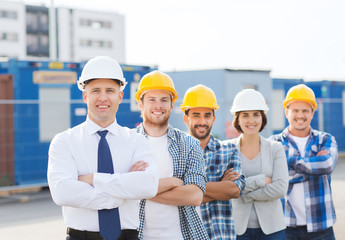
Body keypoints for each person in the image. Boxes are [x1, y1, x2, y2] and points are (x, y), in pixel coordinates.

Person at [47, 56, 159, 240]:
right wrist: (121, 192)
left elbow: (148, 185)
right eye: (96, 90)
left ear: (120, 96)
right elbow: (62, 191)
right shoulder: (64, 141)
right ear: (85, 96)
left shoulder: (137, 141)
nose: (103, 97)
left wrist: (92, 179)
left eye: (110, 90)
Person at [134, 71, 209, 240]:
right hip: (136, 235)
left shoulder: (190, 145)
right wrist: (171, 183)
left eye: (164, 100)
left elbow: (195, 196)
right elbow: (119, 189)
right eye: (151, 99)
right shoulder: (127, 143)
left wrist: (140, 190)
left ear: (172, 104)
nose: (158, 105)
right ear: (140, 104)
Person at [271, 84, 338, 240]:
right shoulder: (274, 143)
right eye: (295, 110)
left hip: (321, 227)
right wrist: (313, 166)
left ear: (312, 113)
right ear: (286, 112)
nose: (300, 116)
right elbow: (271, 179)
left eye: (305, 111)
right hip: (285, 226)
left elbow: (327, 165)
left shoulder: (325, 139)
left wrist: (287, 163)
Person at [181, 84, 246, 240]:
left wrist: (188, 187)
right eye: (196, 115)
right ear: (186, 118)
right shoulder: (176, 153)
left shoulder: (228, 150)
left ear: (213, 118)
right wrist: (219, 187)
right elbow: (173, 197)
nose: (202, 121)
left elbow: (234, 190)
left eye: (207, 115)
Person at [229, 89, 289, 240]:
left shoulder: (275, 148)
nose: (251, 120)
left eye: (256, 114)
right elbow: (227, 188)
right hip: (238, 230)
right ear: (238, 119)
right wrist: (261, 180)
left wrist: (243, 194)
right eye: (245, 115)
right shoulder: (227, 149)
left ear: (262, 118)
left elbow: (281, 188)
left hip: (272, 230)